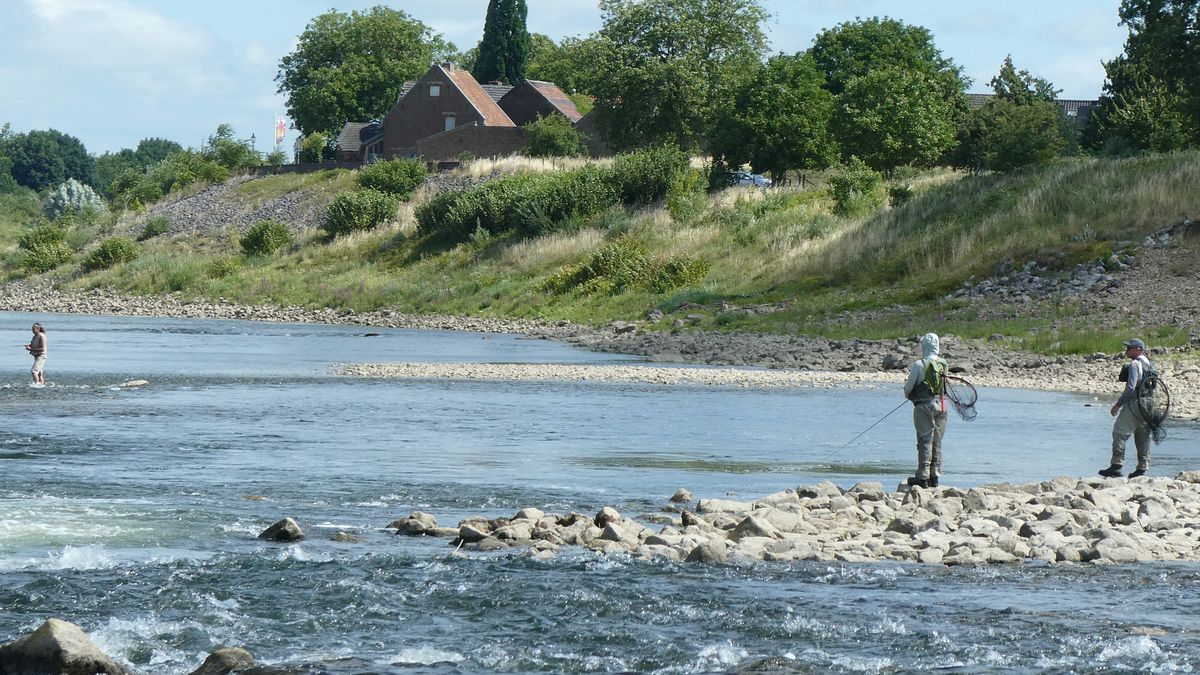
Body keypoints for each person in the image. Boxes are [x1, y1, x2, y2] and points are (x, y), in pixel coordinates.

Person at [1100, 338, 1153, 479]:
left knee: (1119, 431)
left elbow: (1130, 388)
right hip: (1148, 403)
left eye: (1130, 348)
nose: (1127, 350)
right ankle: (1142, 468)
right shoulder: (1149, 364)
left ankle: (1116, 466)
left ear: (1138, 350)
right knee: (1143, 436)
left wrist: (1118, 405)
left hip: (1135, 402)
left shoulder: (1135, 364)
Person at [903, 332, 948, 488]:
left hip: (924, 407)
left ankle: (923, 477)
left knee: (925, 439)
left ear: (924, 346)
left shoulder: (918, 365)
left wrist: (912, 397)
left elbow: (908, 389)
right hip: (941, 405)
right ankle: (935, 476)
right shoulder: (943, 363)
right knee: (937, 439)